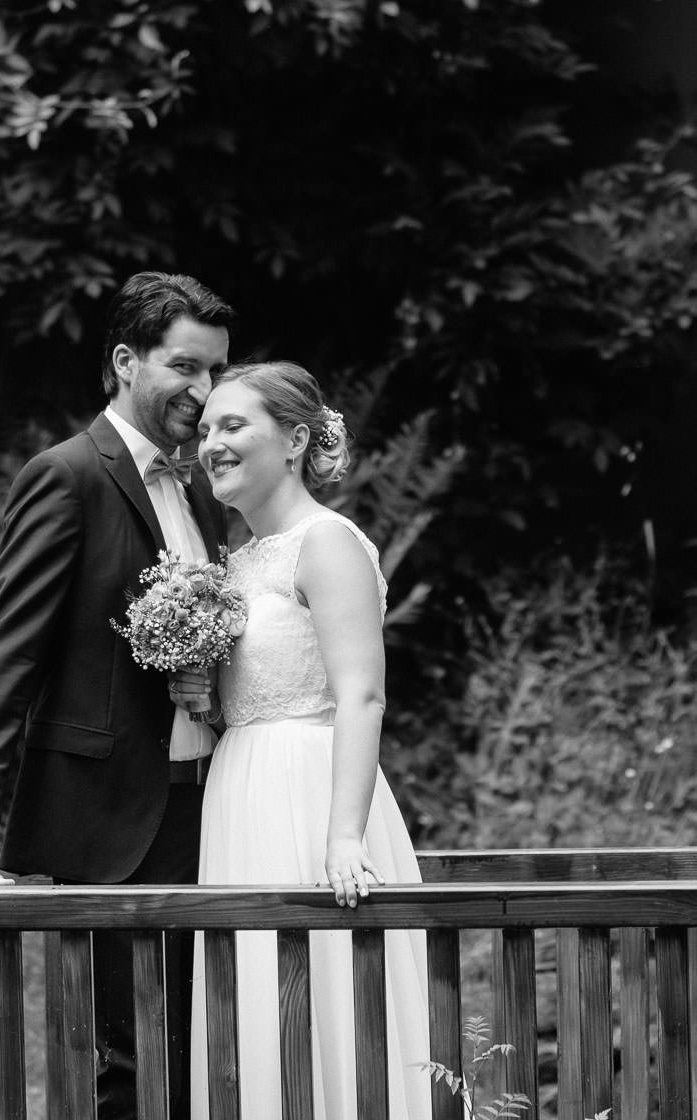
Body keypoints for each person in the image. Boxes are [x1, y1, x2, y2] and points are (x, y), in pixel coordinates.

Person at [0, 271, 238, 1119]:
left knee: (206, 1048)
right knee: (130, 1065)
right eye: (185, 367)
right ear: (126, 362)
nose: (202, 392)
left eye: (214, 372)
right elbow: (4, 656)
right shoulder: (65, 477)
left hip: (215, 807)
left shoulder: (201, 484)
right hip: (114, 815)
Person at [188, 361, 431, 1119]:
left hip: (312, 795)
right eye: (204, 430)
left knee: (327, 1005)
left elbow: (362, 693)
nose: (211, 445)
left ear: (294, 440)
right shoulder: (238, 560)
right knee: (255, 1005)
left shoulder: (327, 543)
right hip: (241, 794)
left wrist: (344, 836)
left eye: (232, 426)